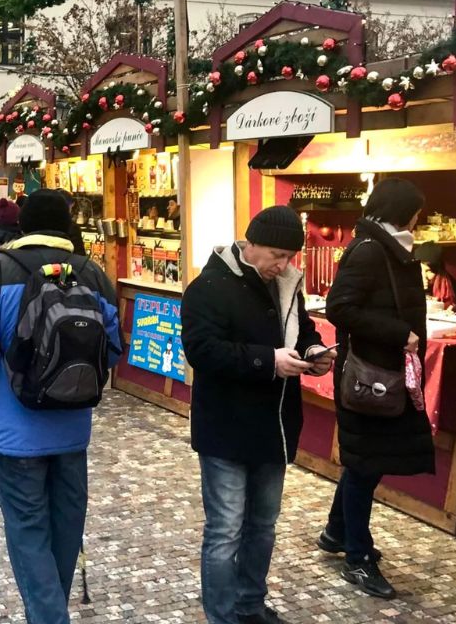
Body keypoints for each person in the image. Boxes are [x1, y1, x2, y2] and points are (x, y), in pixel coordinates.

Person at [0, 189, 122, 624]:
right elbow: (112, 351)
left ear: (22, 225)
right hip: (72, 426)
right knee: (65, 528)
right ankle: (49, 612)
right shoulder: (92, 274)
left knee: (28, 530)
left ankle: (47, 617)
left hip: (14, 431)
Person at [181, 205, 332, 624]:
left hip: (274, 427)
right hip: (226, 428)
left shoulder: (286, 284)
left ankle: (250, 604)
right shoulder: (208, 286)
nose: (283, 265)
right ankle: (223, 615)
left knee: (263, 526)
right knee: (226, 530)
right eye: (276, 255)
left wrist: (313, 352)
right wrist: (268, 361)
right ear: (251, 244)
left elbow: (301, 331)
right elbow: (202, 351)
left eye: (289, 257)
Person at [321, 178, 433, 600]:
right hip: (369, 377)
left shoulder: (392, 247)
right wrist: (398, 332)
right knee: (366, 465)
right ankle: (358, 558)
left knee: (365, 461)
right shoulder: (371, 250)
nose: (420, 219)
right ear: (405, 212)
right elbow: (341, 308)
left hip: (385, 374)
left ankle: (337, 532)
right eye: (418, 211)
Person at [414, 241, 456, 313]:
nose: (424, 276)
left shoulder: (454, 288)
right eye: (419, 270)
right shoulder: (410, 287)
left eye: (428, 271)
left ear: (438, 271)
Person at [56, 189, 88, 257]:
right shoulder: (72, 227)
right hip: (68, 265)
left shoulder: (42, 225)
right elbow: (80, 256)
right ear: (70, 205)